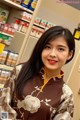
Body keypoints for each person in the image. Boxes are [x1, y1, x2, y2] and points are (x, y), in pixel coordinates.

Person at [0, 26, 75, 120]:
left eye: (60, 49)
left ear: (69, 54)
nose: (52, 54)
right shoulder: (20, 71)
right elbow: (2, 106)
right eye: (47, 47)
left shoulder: (66, 95)